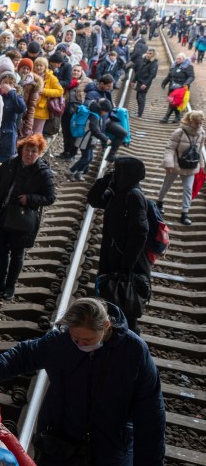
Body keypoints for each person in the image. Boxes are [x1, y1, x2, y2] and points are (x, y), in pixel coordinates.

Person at [0, 297, 165, 466]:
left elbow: (151, 414)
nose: (81, 344)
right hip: (61, 450)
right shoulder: (61, 343)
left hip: (108, 458)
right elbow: (22, 356)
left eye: (87, 340)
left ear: (106, 326)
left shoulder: (133, 352)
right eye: (76, 339)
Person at [86, 157, 151, 332]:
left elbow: (140, 233)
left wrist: (125, 267)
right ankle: (115, 339)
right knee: (113, 302)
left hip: (128, 263)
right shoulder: (118, 192)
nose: (115, 173)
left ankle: (131, 345)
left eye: (118, 170)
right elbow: (93, 199)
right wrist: (105, 181)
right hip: (113, 255)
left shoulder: (134, 196)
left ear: (127, 174)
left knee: (127, 305)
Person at [0, 134, 56, 299]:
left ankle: (10, 287)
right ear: (21, 150)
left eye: (34, 151)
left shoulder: (43, 172)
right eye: (27, 150)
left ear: (39, 153)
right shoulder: (12, 163)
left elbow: (50, 197)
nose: (30, 154)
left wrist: (30, 199)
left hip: (23, 220)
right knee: (2, 250)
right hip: (4, 214)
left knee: (17, 253)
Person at [156, 110, 204, 226]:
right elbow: (170, 148)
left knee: (188, 189)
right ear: (190, 121)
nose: (199, 125)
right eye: (197, 122)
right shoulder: (179, 132)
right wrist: (168, 163)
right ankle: (159, 202)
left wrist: (202, 165)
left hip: (192, 165)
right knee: (167, 185)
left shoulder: (202, 133)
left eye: (201, 122)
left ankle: (184, 213)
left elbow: (200, 150)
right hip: (176, 164)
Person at [68, 99, 112, 182]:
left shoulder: (96, 114)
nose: (106, 114)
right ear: (102, 110)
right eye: (106, 111)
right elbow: (95, 130)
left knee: (90, 157)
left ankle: (79, 173)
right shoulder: (94, 116)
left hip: (90, 140)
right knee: (85, 158)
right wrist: (105, 139)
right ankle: (71, 171)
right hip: (84, 140)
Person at [32, 56, 64, 136]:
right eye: (37, 65)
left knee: (37, 133)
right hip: (30, 107)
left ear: (45, 67)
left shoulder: (51, 78)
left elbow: (60, 91)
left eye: (41, 65)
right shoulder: (31, 75)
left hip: (42, 109)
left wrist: (44, 91)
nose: (38, 67)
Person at [133, 48, 158, 119]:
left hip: (145, 82)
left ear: (154, 54)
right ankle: (139, 112)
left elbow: (152, 75)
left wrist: (146, 84)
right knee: (138, 97)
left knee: (141, 98)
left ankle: (139, 114)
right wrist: (134, 80)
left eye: (150, 54)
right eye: (147, 53)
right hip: (140, 81)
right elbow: (138, 71)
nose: (148, 55)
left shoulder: (154, 63)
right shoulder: (144, 60)